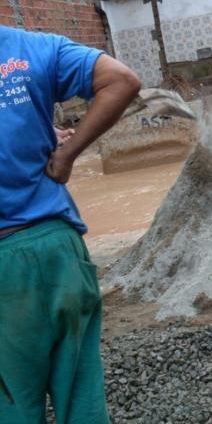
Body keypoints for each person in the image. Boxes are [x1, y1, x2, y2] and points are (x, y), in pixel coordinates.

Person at [0, 25, 141, 423]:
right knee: (81, 393)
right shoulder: (36, 47)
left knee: (13, 403)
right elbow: (123, 81)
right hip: (60, 249)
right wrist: (65, 155)